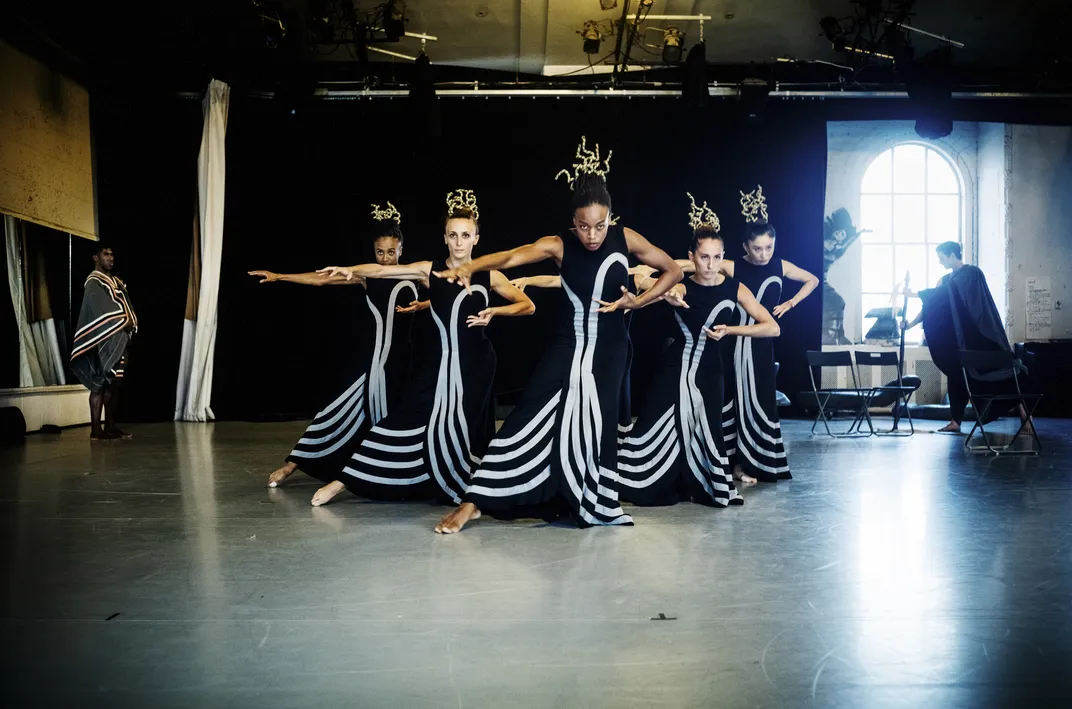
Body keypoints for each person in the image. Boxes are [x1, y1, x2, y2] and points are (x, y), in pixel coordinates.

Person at [433, 137, 683, 533]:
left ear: (611, 218)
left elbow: (673, 271)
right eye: (583, 226)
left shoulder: (626, 238)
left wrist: (639, 302)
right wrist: (473, 264)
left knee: (599, 423)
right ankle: (476, 500)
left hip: (611, 348)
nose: (592, 235)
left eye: (600, 225)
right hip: (569, 344)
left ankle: (593, 499)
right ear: (573, 222)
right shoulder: (559, 245)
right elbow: (514, 256)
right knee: (529, 408)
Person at [311, 189, 535, 507]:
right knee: (404, 418)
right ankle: (344, 481)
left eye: (465, 235)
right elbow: (382, 270)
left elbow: (528, 305)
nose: (459, 242)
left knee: (467, 430)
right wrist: (351, 270)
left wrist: (496, 312)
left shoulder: (491, 275)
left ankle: (460, 486)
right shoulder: (430, 271)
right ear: (445, 238)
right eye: (453, 235)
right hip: (440, 363)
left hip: (477, 366)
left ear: (476, 238)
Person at [618, 194, 779, 506]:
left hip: (710, 371)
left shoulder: (735, 289)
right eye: (705, 257)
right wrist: (670, 295)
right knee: (653, 425)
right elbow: (661, 286)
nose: (711, 264)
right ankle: (647, 482)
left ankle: (700, 483)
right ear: (691, 256)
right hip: (674, 368)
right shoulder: (682, 284)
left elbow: (772, 327)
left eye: (717, 257)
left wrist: (732, 329)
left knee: (708, 431)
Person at [248, 203, 421, 487]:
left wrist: (423, 305)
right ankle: (292, 465)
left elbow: (443, 296)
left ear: (401, 249)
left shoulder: (417, 272)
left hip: (403, 361)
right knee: (337, 411)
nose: (386, 258)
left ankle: (385, 472)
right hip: (373, 360)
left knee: (394, 417)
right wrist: (281, 276)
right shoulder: (367, 275)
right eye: (380, 252)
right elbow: (322, 280)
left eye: (391, 252)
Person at [695, 186, 818, 484]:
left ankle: (759, 463)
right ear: (746, 247)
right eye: (758, 248)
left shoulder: (781, 265)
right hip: (733, 344)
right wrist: (651, 271)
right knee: (733, 402)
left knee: (761, 402)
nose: (764, 254)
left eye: (769, 248)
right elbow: (692, 264)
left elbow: (812, 279)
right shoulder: (734, 266)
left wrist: (791, 302)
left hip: (762, 346)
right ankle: (733, 466)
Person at [904, 241, 1027, 433]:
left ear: (953, 255)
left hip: (978, 336)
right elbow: (930, 306)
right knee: (957, 378)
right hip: (957, 341)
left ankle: (1025, 416)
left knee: (1003, 375)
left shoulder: (971, 274)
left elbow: (963, 295)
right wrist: (908, 326)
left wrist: (915, 293)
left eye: (942, 258)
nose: (940, 262)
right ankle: (956, 421)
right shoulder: (945, 280)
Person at [71, 244, 138, 440]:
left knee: (114, 384)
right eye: (106, 254)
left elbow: (123, 303)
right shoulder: (93, 281)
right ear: (96, 258)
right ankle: (95, 430)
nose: (111, 257)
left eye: (112, 254)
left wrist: (128, 322)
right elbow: (98, 306)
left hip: (119, 339)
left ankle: (110, 425)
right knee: (99, 384)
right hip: (103, 339)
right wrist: (122, 319)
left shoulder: (115, 281)